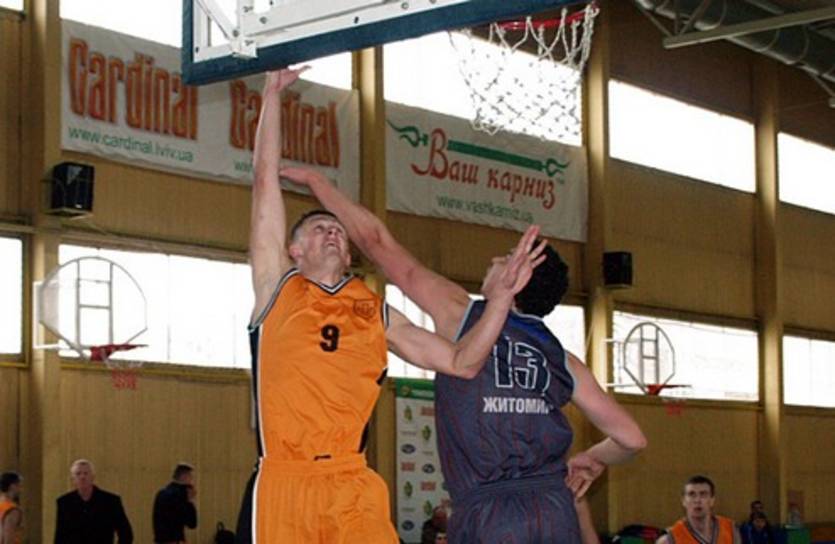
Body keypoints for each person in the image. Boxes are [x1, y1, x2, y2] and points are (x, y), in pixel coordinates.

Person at [235, 67, 545, 544]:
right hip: (285, 481)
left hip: (352, 481)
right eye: (318, 228)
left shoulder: (375, 312)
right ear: (293, 250)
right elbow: (263, 183)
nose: (332, 231)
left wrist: (499, 301)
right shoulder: (276, 288)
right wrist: (273, 94)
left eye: (338, 229)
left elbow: (462, 362)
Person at [281, 145, 647, 544]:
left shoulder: (462, 315)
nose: (493, 261)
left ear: (515, 279)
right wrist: (593, 458)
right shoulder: (564, 359)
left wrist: (318, 182)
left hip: (491, 513)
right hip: (555, 510)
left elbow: (376, 242)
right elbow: (632, 438)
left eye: (504, 258)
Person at [54, 459, 133, 544]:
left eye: (86, 473)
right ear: (72, 479)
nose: (82, 477)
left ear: (93, 477)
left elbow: (126, 533)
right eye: (78, 474)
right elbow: (60, 536)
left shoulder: (110, 501)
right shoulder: (65, 503)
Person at [656, 475, 740, 544]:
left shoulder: (730, 530)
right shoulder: (670, 538)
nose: (697, 500)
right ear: (683, 501)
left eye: (703, 494)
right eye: (692, 494)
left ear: (712, 500)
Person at [152, 463, 197, 543]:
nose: (192, 481)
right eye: (190, 477)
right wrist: (189, 501)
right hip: (175, 540)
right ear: (184, 477)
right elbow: (192, 523)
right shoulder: (180, 495)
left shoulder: (161, 494)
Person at [0, 472, 22, 544]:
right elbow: (8, 538)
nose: (20, 490)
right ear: (12, 486)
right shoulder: (11, 510)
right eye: (19, 486)